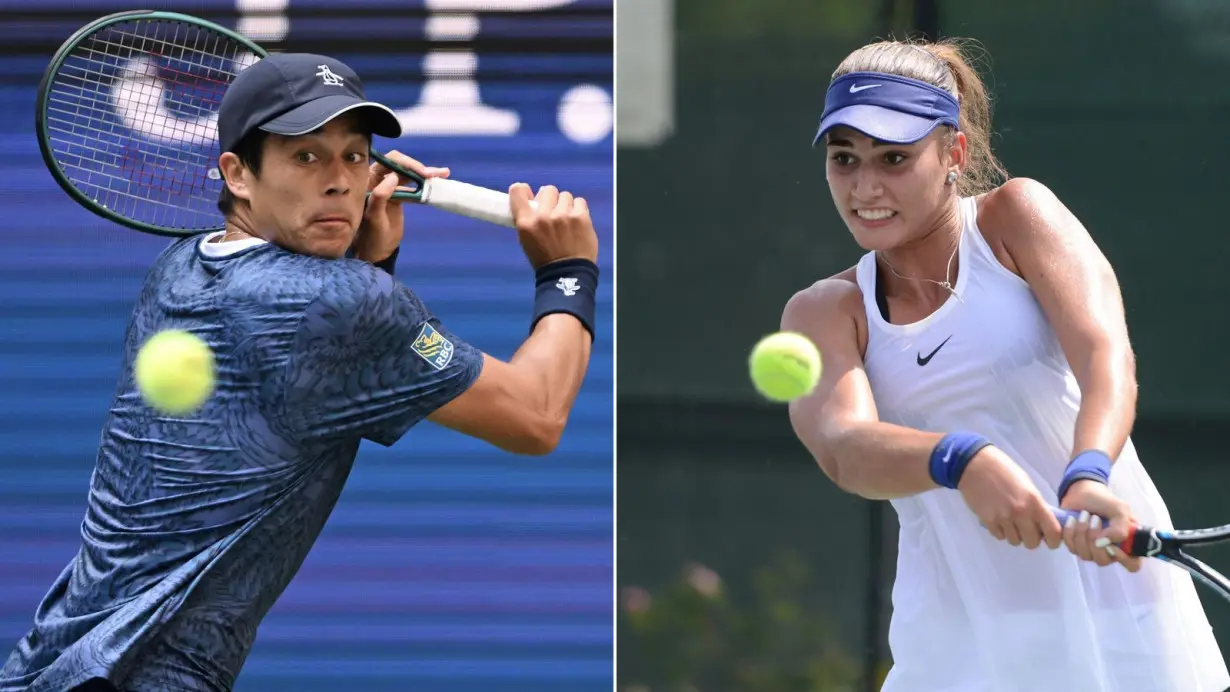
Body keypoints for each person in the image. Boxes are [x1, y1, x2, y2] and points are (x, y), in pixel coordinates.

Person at [1, 52, 600, 692]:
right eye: (306, 157)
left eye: (354, 155)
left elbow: (320, 367)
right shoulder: (340, 305)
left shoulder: (179, 268)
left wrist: (374, 260)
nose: (340, 182)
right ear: (237, 173)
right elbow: (536, 416)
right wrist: (566, 270)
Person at [783, 38, 1228, 691]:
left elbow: (1105, 353)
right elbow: (844, 449)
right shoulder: (825, 311)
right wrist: (959, 459)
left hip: (1120, 616)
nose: (865, 186)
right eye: (844, 159)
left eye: (895, 158)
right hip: (960, 643)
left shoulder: (1016, 217)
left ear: (954, 153)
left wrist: (1089, 473)